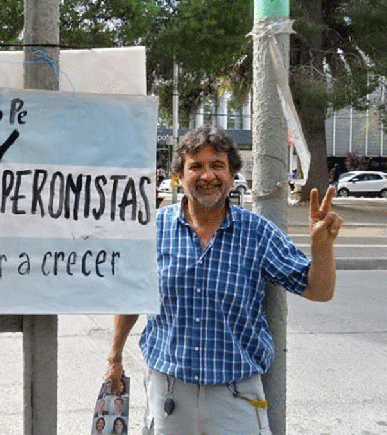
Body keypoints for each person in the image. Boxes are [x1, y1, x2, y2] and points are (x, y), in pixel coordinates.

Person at [105, 125, 343, 434]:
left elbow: (320, 291)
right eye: (196, 166)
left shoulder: (258, 232)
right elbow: (131, 297)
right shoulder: (154, 229)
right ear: (179, 176)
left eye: (217, 165)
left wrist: (322, 247)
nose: (208, 176)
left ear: (232, 175)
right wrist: (114, 357)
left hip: (236, 397)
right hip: (169, 394)